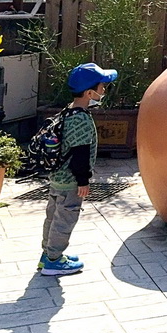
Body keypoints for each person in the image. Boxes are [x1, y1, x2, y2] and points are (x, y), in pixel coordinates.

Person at [38, 62, 115, 276]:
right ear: (90, 93)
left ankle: (48, 255)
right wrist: (83, 180)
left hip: (57, 177)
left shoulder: (68, 112)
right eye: (102, 87)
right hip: (70, 180)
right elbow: (80, 153)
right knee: (65, 219)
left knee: (53, 217)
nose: (104, 91)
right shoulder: (81, 119)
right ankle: (54, 260)